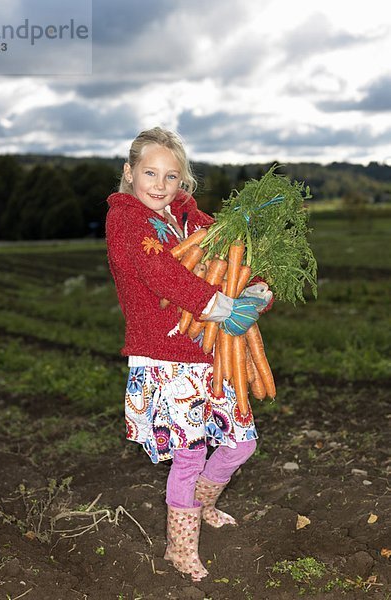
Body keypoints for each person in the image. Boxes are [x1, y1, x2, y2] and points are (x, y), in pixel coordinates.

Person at [105, 127, 272, 581]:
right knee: (190, 453)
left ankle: (201, 506)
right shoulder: (126, 221)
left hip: (213, 355)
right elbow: (162, 273)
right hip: (167, 360)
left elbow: (234, 265)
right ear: (129, 173)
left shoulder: (196, 222)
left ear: (184, 181)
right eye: (150, 173)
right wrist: (222, 307)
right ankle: (180, 548)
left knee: (242, 443)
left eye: (171, 176)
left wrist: (256, 292)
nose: (159, 185)